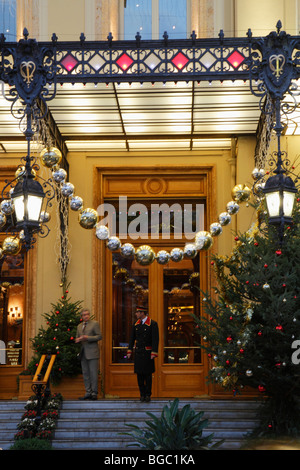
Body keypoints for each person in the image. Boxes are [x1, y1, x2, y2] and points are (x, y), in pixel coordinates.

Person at [127, 306, 159, 402]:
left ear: (142, 313)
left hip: (148, 353)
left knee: (148, 375)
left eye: (137, 312)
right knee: (139, 375)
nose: (136, 314)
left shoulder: (152, 324)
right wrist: (129, 350)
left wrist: (154, 352)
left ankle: (148, 394)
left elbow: (155, 339)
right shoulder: (136, 324)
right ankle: (142, 394)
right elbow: (132, 338)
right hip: (138, 352)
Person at [75, 308, 102, 400]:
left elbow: (99, 336)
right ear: (81, 316)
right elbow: (77, 337)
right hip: (83, 352)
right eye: (84, 315)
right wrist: (78, 340)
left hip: (92, 352)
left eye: (87, 314)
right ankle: (88, 392)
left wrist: (87, 337)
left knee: (93, 373)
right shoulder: (79, 326)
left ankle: (94, 392)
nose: (86, 316)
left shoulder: (94, 324)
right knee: (85, 373)